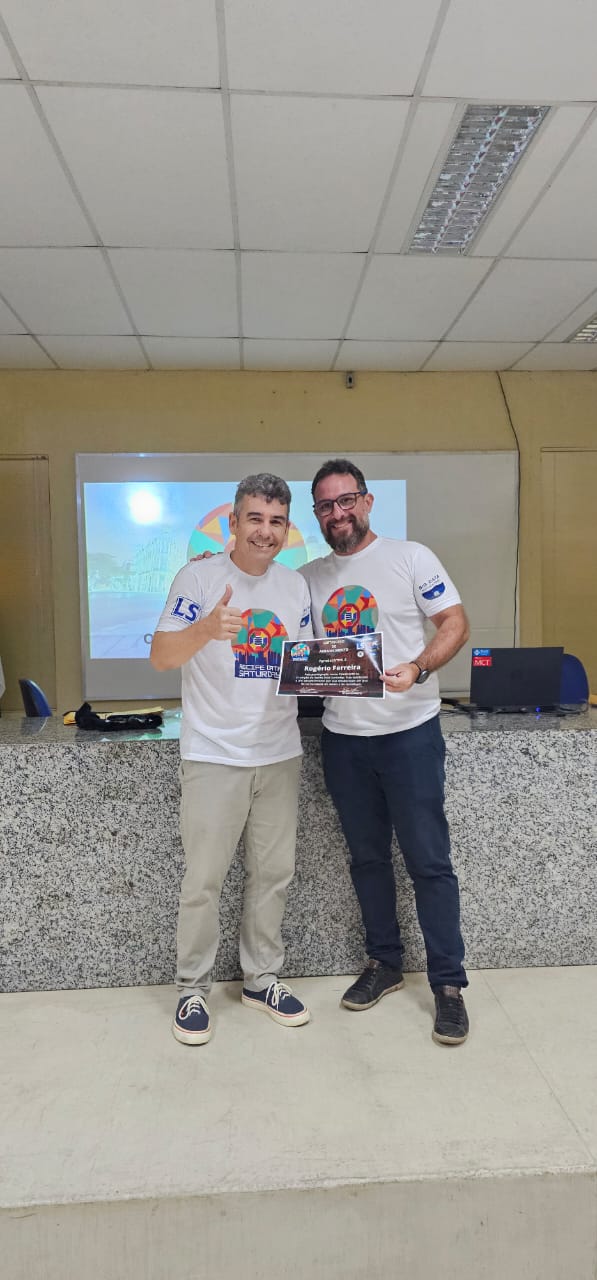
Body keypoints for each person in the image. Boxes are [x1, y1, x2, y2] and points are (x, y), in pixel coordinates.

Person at [301, 459, 471, 1046]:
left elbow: (454, 623)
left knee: (429, 862)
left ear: (367, 502)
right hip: (344, 741)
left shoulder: (411, 557)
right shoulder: (307, 577)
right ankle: (385, 963)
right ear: (317, 514)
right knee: (367, 859)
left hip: (409, 734)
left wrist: (418, 667)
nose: (338, 513)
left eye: (347, 500)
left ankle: (448, 986)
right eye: (326, 505)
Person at [151, 474, 312, 1045]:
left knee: (273, 874)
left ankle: (261, 979)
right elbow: (161, 655)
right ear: (234, 523)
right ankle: (192, 988)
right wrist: (205, 629)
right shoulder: (198, 578)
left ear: (286, 528)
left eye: (276, 521)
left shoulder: (295, 586)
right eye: (255, 519)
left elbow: (305, 666)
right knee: (204, 879)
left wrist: (357, 672)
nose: (265, 531)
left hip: (279, 752)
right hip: (214, 753)